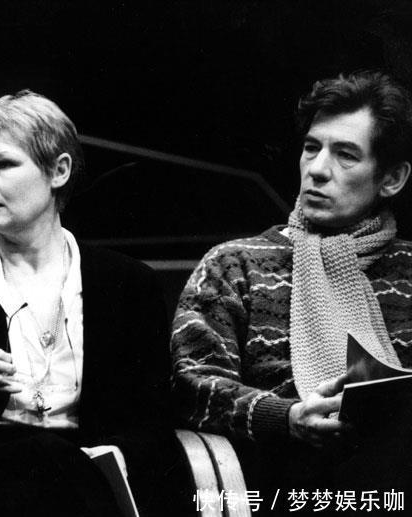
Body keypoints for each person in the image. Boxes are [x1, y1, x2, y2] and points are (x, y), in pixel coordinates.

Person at [0, 90, 180, 517]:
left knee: (57, 463)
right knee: (39, 457)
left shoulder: (128, 282)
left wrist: (113, 458)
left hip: (93, 476)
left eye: (4, 164)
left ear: (59, 171)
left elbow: (154, 420)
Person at [171, 71, 412, 514]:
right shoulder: (234, 265)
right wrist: (285, 416)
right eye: (311, 148)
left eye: (345, 155)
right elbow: (192, 386)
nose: (317, 169)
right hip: (280, 484)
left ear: (392, 178)